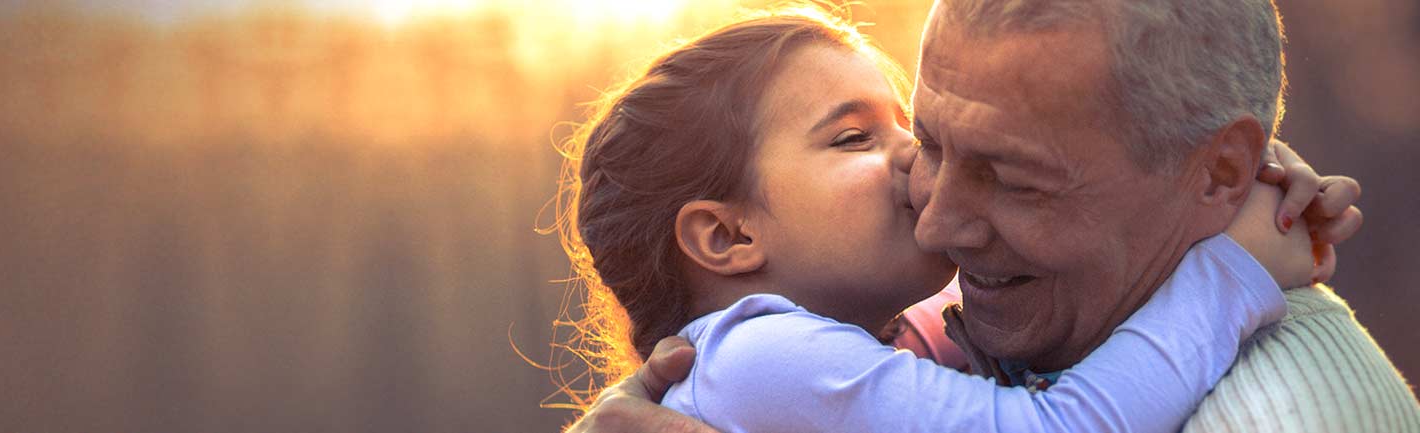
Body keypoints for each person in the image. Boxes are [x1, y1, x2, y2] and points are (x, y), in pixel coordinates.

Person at [564, 1, 1420, 432]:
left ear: (1222, 169)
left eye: (1012, 176)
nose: (930, 204)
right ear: (727, 235)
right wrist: (1228, 261)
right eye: (874, 137)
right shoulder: (776, 357)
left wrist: (1243, 199)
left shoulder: (1290, 414)